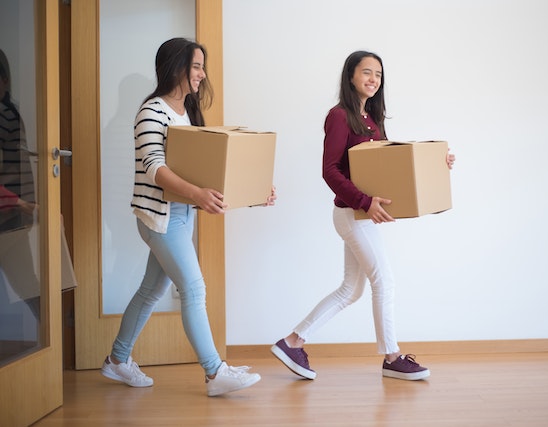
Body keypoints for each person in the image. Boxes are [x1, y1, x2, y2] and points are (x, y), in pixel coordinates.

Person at [101, 38, 275, 397]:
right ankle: (215, 373)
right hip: (160, 218)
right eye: (196, 66)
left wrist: (256, 194)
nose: (202, 74)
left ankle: (117, 360)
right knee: (193, 289)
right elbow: (154, 167)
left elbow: (207, 171)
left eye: (202, 66)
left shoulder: (187, 114)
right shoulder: (153, 111)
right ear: (175, 67)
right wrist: (196, 194)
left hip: (180, 215)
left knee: (150, 290)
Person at [271, 50, 455, 381]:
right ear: (351, 76)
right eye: (367, 72)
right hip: (352, 214)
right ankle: (392, 356)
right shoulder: (340, 116)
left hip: (363, 215)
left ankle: (292, 341)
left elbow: (388, 165)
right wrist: (364, 201)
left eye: (378, 75)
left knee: (350, 290)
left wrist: (436, 164)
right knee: (384, 280)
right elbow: (330, 171)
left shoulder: (372, 119)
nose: (373, 79)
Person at [0, 48, 40, 323]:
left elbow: (18, 167)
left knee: (25, 282)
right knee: (26, 283)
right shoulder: (10, 113)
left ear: (3, 80)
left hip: (10, 211)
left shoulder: (6, 114)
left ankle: (51, 343)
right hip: (13, 209)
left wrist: (26, 206)